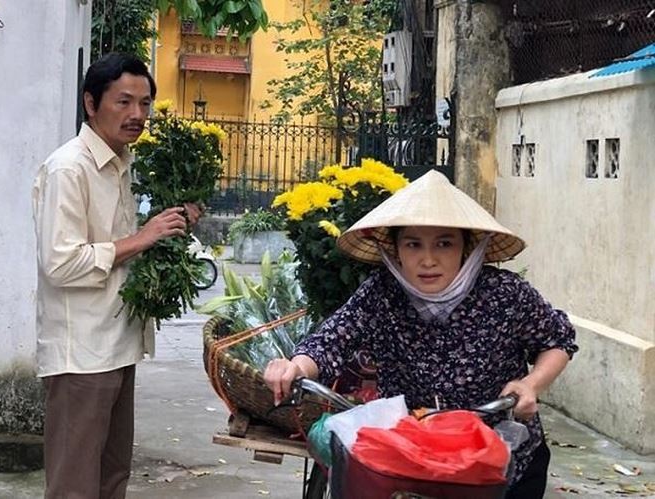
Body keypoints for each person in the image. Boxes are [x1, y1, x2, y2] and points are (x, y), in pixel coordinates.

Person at [264, 170, 578, 499]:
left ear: (466, 248)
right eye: (413, 244)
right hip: (410, 460)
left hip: (499, 464)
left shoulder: (505, 293)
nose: (428, 260)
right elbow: (330, 340)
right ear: (397, 250)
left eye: (444, 243)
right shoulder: (382, 293)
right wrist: (295, 367)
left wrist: (530, 385)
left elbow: (557, 340)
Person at [32, 52, 203, 499]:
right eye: (124, 102)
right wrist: (143, 238)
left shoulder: (119, 162)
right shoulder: (70, 168)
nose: (137, 115)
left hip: (115, 345)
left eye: (145, 104)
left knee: (112, 477)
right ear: (91, 104)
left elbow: (123, 247)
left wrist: (171, 225)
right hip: (81, 354)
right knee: (74, 485)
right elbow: (61, 262)